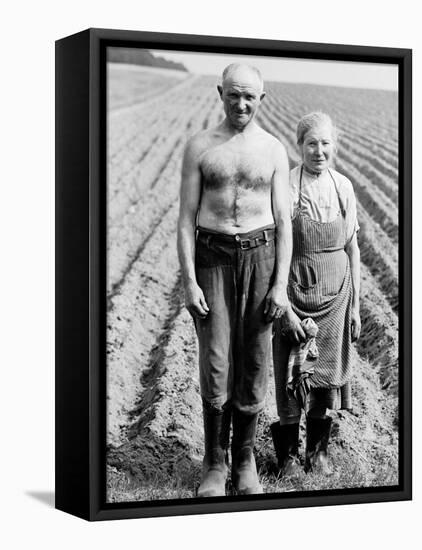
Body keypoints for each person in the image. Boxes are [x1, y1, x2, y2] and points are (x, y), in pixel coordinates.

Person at [177, 63, 292, 496]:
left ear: (263, 98)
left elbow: (284, 221)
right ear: (220, 92)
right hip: (214, 258)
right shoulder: (200, 146)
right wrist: (189, 281)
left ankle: (244, 462)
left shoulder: (274, 150)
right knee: (216, 360)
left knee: (256, 359)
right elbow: (186, 220)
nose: (241, 103)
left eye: (251, 96)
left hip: (260, 257)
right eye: (233, 94)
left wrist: (279, 284)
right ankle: (214, 464)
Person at [271, 112, 361, 477]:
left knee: (324, 377)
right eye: (311, 143)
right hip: (295, 295)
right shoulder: (288, 186)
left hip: (336, 297)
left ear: (333, 146)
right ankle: (289, 456)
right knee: (292, 373)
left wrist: (355, 305)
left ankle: (318, 453)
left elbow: (353, 248)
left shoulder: (343, 187)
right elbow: (277, 245)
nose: (319, 151)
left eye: (325, 143)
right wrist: (282, 302)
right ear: (299, 147)